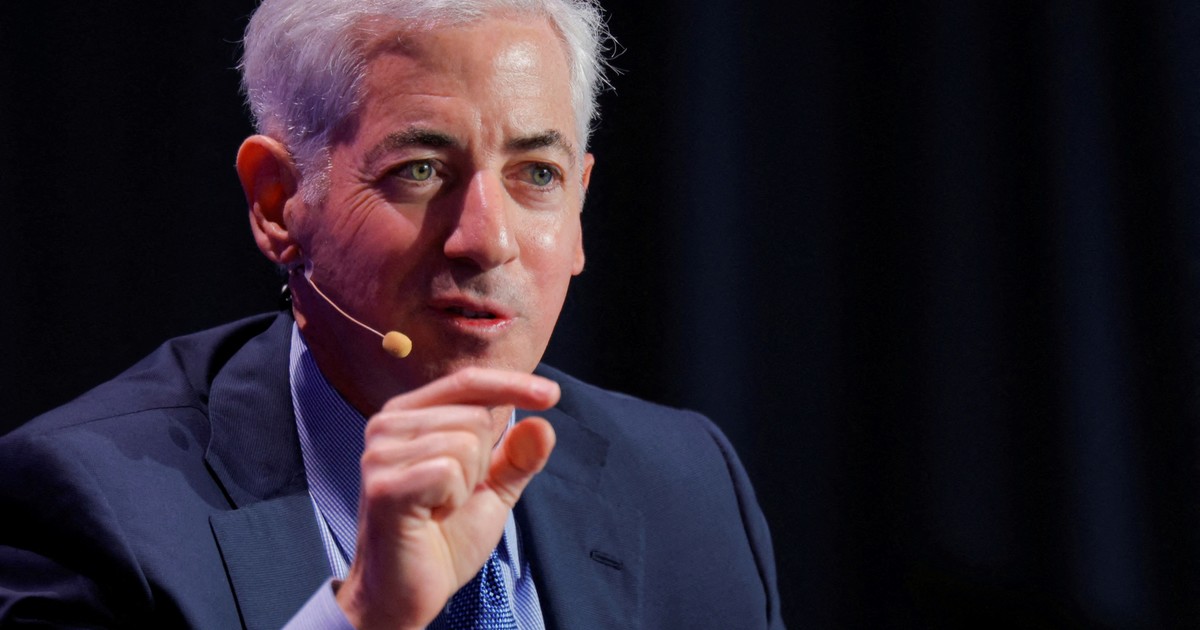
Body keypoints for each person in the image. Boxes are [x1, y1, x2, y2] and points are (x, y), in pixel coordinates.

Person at [0, 0, 783, 627]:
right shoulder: (91, 509)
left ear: (579, 207)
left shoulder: (686, 487)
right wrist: (364, 616)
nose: (488, 240)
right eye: (421, 169)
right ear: (277, 202)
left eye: (537, 174)